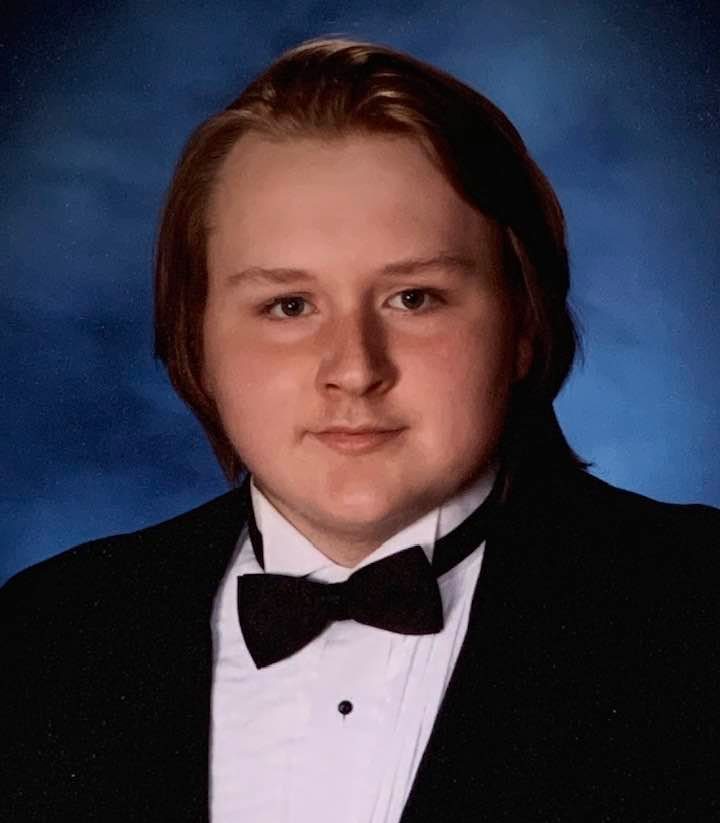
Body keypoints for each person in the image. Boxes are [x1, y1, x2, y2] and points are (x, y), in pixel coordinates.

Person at [2, 37, 717, 822]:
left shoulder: (694, 607)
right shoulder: (46, 634)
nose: (353, 368)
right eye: (288, 306)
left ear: (523, 325)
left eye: (414, 298)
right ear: (195, 341)